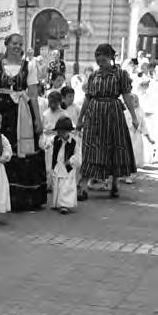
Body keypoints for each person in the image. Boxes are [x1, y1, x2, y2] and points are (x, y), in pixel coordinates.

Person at [0, 33, 46, 211]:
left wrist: (37, 119)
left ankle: (21, 198)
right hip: (1, 110)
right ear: (7, 44)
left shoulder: (29, 66)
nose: (17, 46)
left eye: (20, 44)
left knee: (20, 151)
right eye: (14, 43)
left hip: (22, 111)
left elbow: (32, 94)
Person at [77, 43, 138, 200]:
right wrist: (80, 119)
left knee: (114, 147)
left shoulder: (120, 75)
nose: (99, 59)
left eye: (103, 55)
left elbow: (126, 96)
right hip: (94, 115)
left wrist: (134, 116)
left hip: (113, 114)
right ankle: (83, 187)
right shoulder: (93, 76)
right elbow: (87, 98)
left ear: (111, 57)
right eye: (97, 56)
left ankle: (115, 184)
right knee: (91, 148)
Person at [41, 117, 81, 214]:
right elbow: (46, 144)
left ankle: (65, 205)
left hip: (67, 168)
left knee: (66, 186)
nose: (61, 134)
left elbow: (78, 155)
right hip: (57, 166)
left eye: (63, 132)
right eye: (59, 132)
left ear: (68, 131)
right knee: (57, 184)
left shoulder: (74, 142)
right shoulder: (55, 140)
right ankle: (56, 203)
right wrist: (45, 144)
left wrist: (71, 161)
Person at [124, 93, 154, 183]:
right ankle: (126, 173)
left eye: (137, 101)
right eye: (134, 101)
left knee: (135, 155)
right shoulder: (125, 112)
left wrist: (149, 138)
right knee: (127, 155)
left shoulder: (140, 112)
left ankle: (131, 175)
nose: (136, 103)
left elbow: (144, 126)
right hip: (128, 136)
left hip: (136, 137)